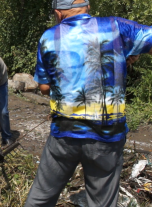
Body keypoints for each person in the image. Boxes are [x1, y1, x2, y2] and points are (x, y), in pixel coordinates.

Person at [24, 0, 152, 206]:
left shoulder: (49, 37)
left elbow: (45, 87)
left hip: (64, 136)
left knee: (41, 197)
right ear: (87, 7)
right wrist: (120, 59)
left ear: (58, 12)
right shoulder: (115, 27)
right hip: (106, 137)